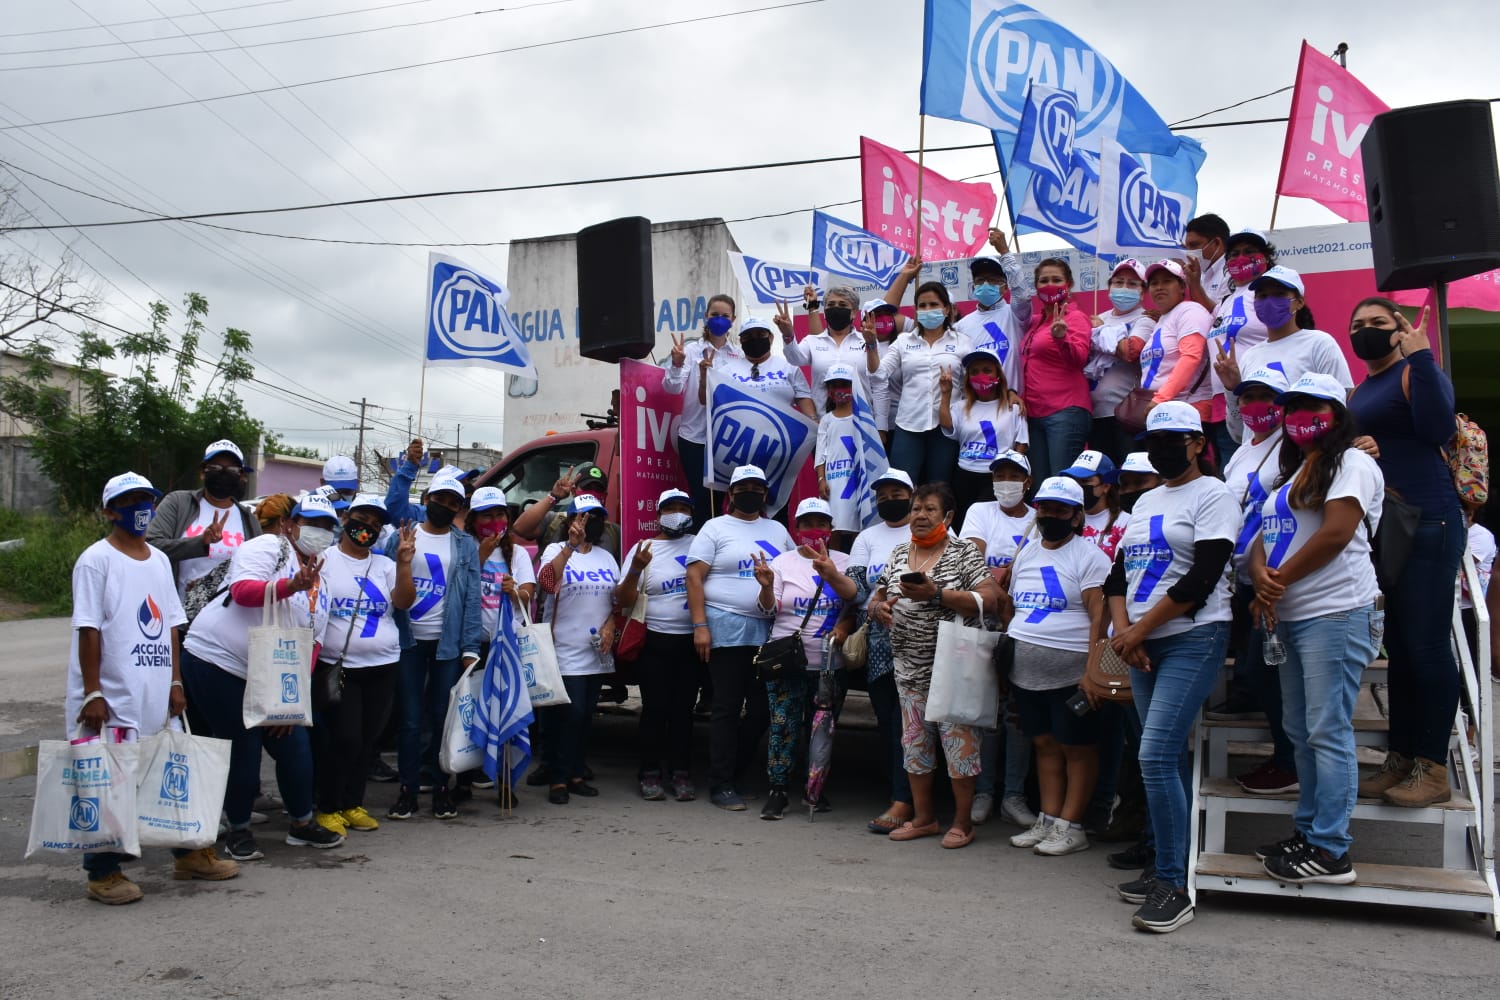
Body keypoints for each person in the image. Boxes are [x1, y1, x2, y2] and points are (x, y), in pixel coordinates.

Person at [72, 472, 240, 903]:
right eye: (129, 501)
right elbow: (88, 629)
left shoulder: (159, 561)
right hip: (112, 695)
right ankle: (102, 873)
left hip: (156, 689)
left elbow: (169, 626)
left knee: (170, 768)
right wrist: (93, 692)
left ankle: (189, 854)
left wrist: (176, 681)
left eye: (146, 499)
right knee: (109, 781)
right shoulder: (96, 560)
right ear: (110, 511)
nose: (140, 509)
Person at [1104, 402, 1238, 933]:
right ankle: (1169, 861)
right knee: (1165, 758)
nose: (1160, 448)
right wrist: (1124, 631)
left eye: (1174, 439)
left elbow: (1203, 576)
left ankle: (1173, 885)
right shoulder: (1146, 500)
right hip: (1141, 644)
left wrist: (1139, 630)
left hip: (1191, 639)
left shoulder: (1215, 495)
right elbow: (1119, 575)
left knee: (1155, 754)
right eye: (1153, 440)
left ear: (1199, 444)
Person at [1248, 373, 1384, 884]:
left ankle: (1331, 850)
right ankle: (1308, 833)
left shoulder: (1352, 461)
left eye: (1313, 406)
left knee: (1328, 731)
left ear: (1337, 412)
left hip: (1337, 611)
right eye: (1294, 406)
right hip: (1293, 616)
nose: (1301, 415)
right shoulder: (1294, 472)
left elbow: (1335, 534)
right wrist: (1261, 574)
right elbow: (1266, 533)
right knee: (1301, 732)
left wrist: (1276, 582)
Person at [1346, 298, 1464, 808]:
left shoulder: (1415, 371)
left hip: (1430, 520)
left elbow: (1440, 431)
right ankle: (1401, 758)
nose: (1366, 331)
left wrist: (1423, 359)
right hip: (1387, 527)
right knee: (1399, 647)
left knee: (1427, 645)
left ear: (1400, 330)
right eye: (1357, 325)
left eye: (1378, 323)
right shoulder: (1361, 388)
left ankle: (1433, 767)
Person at [182, 492, 345, 861]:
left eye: (326, 526)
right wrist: (290, 587)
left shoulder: (323, 581)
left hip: (271, 673)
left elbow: (312, 644)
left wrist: (290, 702)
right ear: (290, 523)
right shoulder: (268, 547)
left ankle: (302, 824)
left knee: (294, 743)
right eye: (311, 523)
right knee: (244, 745)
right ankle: (237, 828)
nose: (318, 531)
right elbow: (242, 593)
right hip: (218, 662)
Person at [870, 483, 998, 849]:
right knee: (915, 746)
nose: (920, 515)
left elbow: (990, 599)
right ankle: (924, 818)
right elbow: (877, 595)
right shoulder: (899, 552)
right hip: (908, 667)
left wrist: (938, 594)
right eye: (916, 509)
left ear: (948, 516)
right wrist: (877, 608)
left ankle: (962, 823)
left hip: (955, 669)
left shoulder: (963, 554)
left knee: (961, 749)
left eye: (929, 509)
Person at [1002, 477, 1112, 857]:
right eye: (1045, 508)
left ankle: (1072, 825)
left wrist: (1093, 671)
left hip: (1072, 672)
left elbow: (1101, 616)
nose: (1050, 515)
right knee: (1044, 744)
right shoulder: (1028, 553)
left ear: (1077, 516)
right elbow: (1014, 606)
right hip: (1026, 672)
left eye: (1060, 510)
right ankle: (1048, 819)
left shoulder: (1090, 557)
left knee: (1076, 748)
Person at [1210, 367, 1299, 796]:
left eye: (1265, 397)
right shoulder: (1245, 447)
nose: (1253, 406)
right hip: (1242, 572)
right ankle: (1285, 755)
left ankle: (1290, 760)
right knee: (1258, 671)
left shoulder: (1295, 444)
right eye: (1246, 398)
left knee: (1272, 672)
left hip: (1276, 573)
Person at [686, 465, 796, 809]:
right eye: (743, 487)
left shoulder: (777, 529)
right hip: (725, 630)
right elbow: (694, 576)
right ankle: (720, 784)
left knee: (762, 710)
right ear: (731, 494)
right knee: (726, 708)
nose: (751, 493)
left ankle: (734, 773)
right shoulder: (715, 528)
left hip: (768, 632)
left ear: (765, 494)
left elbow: (794, 567)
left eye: (757, 488)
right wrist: (700, 626)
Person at [311, 496, 415, 836]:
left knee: (368, 741)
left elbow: (403, 602)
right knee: (345, 739)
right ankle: (328, 807)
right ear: (345, 519)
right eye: (361, 518)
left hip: (384, 664)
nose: (367, 527)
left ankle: (352, 804)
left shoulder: (384, 565)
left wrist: (403, 564)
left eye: (375, 522)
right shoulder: (324, 560)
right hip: (339, 667)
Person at [382, 471, 483, 821]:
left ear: (459, 508)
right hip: (407, 642)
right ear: (426, 499)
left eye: (453, 502)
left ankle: (441, 787)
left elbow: (472, 598)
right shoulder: (401, 537)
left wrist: (471, 646)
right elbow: (381, 584)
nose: (444, 506)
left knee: (442, 718)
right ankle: (408, 790)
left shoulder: (465, 544)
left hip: (447, 645)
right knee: (410, 720)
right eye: (439, 499)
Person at [956, 449, 1037, 829]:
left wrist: (1001, 579)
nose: (1005, 481)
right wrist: (999, 582)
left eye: (1013, 474)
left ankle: (1014, 795)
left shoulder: (1041, 518)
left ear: (1027, 481)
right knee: (985, 712)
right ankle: (983, 791)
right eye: (999, 474)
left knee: (1017, 715)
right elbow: (974, 560)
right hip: (985, 622)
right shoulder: (979, 511)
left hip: (1025, 626)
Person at [760, 497, 855, 820]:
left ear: (831, 529)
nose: (815, 529)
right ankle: (778, 791)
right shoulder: (783, 562)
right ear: (796, 528)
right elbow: (768, 610)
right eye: (807, 523)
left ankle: (815, 788)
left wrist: (831, 574)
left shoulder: (845, 561)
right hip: (788, 660)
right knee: (783, 727)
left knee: (823, 731)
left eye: (822, 523)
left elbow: (854, 601)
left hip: (829, 666)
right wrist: (767, 587)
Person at [844, 469, 918, 833]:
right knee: (889, 723)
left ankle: (909, 798)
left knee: (913, 723)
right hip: (878, 647)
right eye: (883, 494)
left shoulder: (931, 530)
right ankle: (899, 793)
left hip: (921, 644)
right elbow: (857, 590)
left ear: (911, 494)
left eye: (896, 492)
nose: (889, 498)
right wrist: (873, 604)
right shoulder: (868, 537)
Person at [615, 489, 699, 803]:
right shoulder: (643, 548)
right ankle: (649, 773)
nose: (677, 513)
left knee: (683, 712)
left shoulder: (700, 545)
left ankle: (681, 772)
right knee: (655, 709)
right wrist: (636, 568)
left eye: (683, 508)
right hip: (655, 642)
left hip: (691, 643)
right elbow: (623, 601)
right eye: (670, 508)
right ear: (658, 514)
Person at [536, 493, 620, 804]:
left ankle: (575, 774)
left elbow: (616, 599)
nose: (591, 522)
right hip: (564, 649)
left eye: (596, 516)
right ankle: (557, 779)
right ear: (571, 520)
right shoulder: (555, 550)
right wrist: (570, 547)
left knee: (585, 717)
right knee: (569, 716)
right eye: (584, 516)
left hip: (597, 652)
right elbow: (546, 584)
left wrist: (611, 623)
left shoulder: (606, 557)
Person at [1216, 266, 1353, 439]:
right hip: (1258, 459)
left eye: (1278, 295)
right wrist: (1231, 389)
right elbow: (1239, 434)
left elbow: (1343, 406)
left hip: (1307, 456)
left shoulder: (1319, 343)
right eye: (1262, 296)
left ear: (1300, 302)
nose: (1269, 302)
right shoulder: (1249, 356)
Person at [873, 270, 970, 483]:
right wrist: (872, 344)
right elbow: (879, 374)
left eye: (934, 305)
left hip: (947, 427)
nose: (928, 310)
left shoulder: (963, 341)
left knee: (940, 487)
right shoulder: (903, 341)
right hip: (909, 424)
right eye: (922, 306)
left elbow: (972, 384)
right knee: (902, 486)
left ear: (946, 309)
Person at [662, 294, 744, 525]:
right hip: (693, 436)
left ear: (733, 319)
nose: (719, 320)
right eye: (714, 315)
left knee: (720, 501)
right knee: (700, 498)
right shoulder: (690, 350)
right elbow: (671, 387)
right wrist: (677, 363)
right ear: (706, 317)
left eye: (725, 316)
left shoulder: (738, 355)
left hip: (725, 439)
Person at [146, 438, 259, 601]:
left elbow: (258, 570)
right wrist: (200, 543)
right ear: (202, 472)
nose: (223, 474)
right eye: (215, 468)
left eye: (232, 469)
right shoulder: (178, 503)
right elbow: (151, 546)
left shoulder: (249, 520)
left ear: (242, 476)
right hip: (180, 618)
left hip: (230, 617)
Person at [1204, 229, 1276, 463]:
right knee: (1232, 478)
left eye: (1249, 252)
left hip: (1260, 399)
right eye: (1233, 254)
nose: (1240, 258)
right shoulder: (1224, 302)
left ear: (1265, 256)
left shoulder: (1272, 294)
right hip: (1223, 402)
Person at [1021, 258, 1093, 482]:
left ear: (1069, 284)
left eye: (1056, 279)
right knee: (1039, 486)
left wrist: (1062, 339)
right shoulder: (1034, 322)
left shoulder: (1076, 318)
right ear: (1036, 287)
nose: (1049, 284)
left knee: (1061, 485)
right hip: (1034, 415)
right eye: (1043, 280)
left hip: (1065, 411)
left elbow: (1079, 359)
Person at [940, 347, 1028, 523]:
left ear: (998, 374)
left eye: (987, 370)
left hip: (995, 478)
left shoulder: (1013, 408)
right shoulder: (960, 407)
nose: (980, 375)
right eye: (974, 372)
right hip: (964, 475)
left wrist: (1010, 477)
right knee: (964, 524)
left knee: (993, 524)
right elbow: (947, 425)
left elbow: (1021, 444)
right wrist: (946, 393)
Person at [951, 233, 1034, 394]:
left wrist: (1004, 252)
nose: (986, 284)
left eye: (993, 279)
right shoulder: (961, 326)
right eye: (980, 280)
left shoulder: (1016, 314)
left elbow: (1023, 295)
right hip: (977, 406)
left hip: (1014, 403)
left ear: (1005, 286)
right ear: (974, 287)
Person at [1136, 260, 1215, 421]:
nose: (1159, 287)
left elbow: (1191, 357)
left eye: (1167, 281)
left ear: (1181, 287)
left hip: (1189, 408)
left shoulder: (1190, 311)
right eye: (1154, 283)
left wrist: (1161, 398)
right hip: (1163, 410)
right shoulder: (1163, 319)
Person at [1088, 259, 1148, 465]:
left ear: (1142, 292)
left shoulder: (1146, 319)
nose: (1124, 288)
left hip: (1127, 415)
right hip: (1095, 415)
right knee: (1103, 482)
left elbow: (1130, 351)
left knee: (1129, 476)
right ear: (1109, 287)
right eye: (1119, 282)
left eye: (1132, 284)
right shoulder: (1098, 318)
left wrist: (1100, 332)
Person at [777, 285, 873, 411]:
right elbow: (794, 359)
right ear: (825, 311)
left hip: (862, 421)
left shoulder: (867, 341)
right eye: (831, 305)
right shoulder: (812, 340)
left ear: (854, 312)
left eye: (842, 305)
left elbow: (879, 383)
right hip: (823, 422)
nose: (836, 308)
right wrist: (788, 334)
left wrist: (881, 425)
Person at [814, 363, 869, 542]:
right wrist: (821, 479)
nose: (839, 390)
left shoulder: (864, 417)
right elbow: (821, 452)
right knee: (834, 523)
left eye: (844, 385)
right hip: (834, 478)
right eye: (834, 385)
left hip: (857, 478)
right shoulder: (826, 420)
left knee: (858, 524)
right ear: (828, 389)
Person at [1059, 450, 1129, 560]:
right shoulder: (1063, 519)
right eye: (1074, 481)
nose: (1078, 487)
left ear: (1105, 486)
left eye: (1085, 481)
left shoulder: (1125, 522)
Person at [1182, 213, 1231, 309]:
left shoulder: (1231, 273)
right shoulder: (1200, 272)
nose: (1189, 252)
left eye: (1194, 245)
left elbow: (1222, 316)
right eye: (1186, 247)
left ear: (1217, 243)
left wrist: (1195, 286)